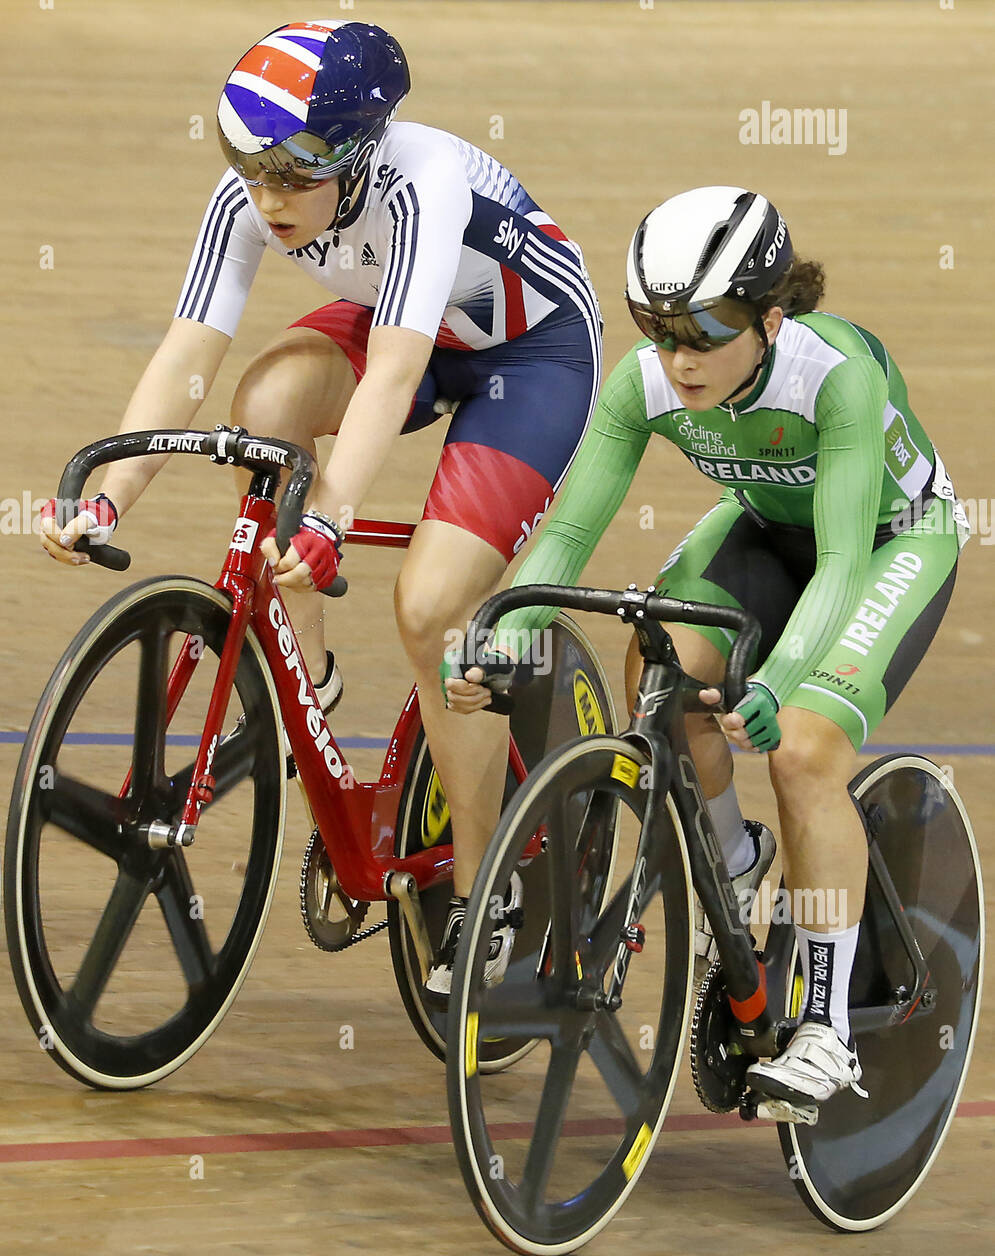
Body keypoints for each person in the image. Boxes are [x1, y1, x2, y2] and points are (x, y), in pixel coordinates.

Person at [39, 19, 602, 996]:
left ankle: (489, 890)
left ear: (360, 152)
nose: (268, 199)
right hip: (404, 317)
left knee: (431, 610)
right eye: (250, 172)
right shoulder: (252, 193)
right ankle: (312, 670)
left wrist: (328, 518)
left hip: (529, 355)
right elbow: (186, 356)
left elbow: (392, 377)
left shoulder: (422, 183)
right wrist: (109, 499)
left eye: (294, 179)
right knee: (262, 408)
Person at [445, 185, 968, 1114]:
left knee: (802, 747)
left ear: (770, 319)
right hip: (770, 529)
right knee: (658, 670)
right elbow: (564, 540)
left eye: (700, 334)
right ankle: (731, 860)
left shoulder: (835, 374)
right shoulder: (644, 381)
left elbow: (843, 560)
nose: (677, 360)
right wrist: (496, 634)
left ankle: (826, 1030)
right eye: (657, 329)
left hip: (889, 541)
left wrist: (775, 680)